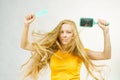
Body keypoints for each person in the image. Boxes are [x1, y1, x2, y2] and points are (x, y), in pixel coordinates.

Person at [20, 14, 111, 80]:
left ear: (73, 35)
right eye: (62, 32)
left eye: (68, 32)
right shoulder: (51, 50)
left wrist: (105, 32)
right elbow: (25, 45)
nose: (64, 35)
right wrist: (26, 25)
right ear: (58, 34)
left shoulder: (80, 52)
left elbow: (106, 55)